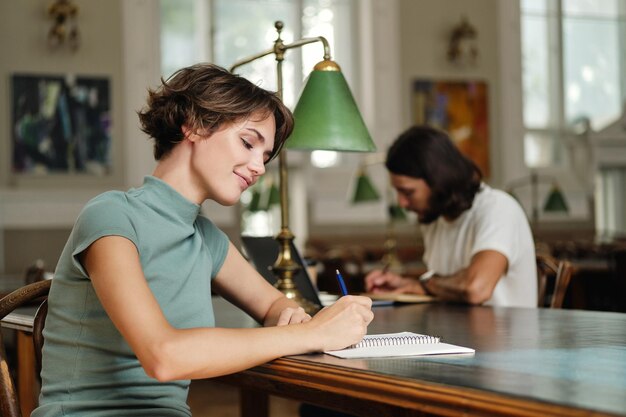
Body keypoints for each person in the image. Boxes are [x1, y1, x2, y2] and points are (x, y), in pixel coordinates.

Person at [33, 63, 373, 417]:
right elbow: (163, 356)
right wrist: (312, 334)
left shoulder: (206, 237)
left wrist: (299, 321)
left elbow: (274, 306)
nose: (259, 167)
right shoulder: (111, 216)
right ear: (193, 125)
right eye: (248, 143)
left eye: (265, 156)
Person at [365, 125, 537, 307]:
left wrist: (424, 285)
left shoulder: (499, 208)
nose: (402, 203)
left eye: (408, 192)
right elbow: (448, 284)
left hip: (506, 335)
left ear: (438, 180)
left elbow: (475, 289)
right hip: (457, 333)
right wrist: (408, 284)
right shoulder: (435, 219)